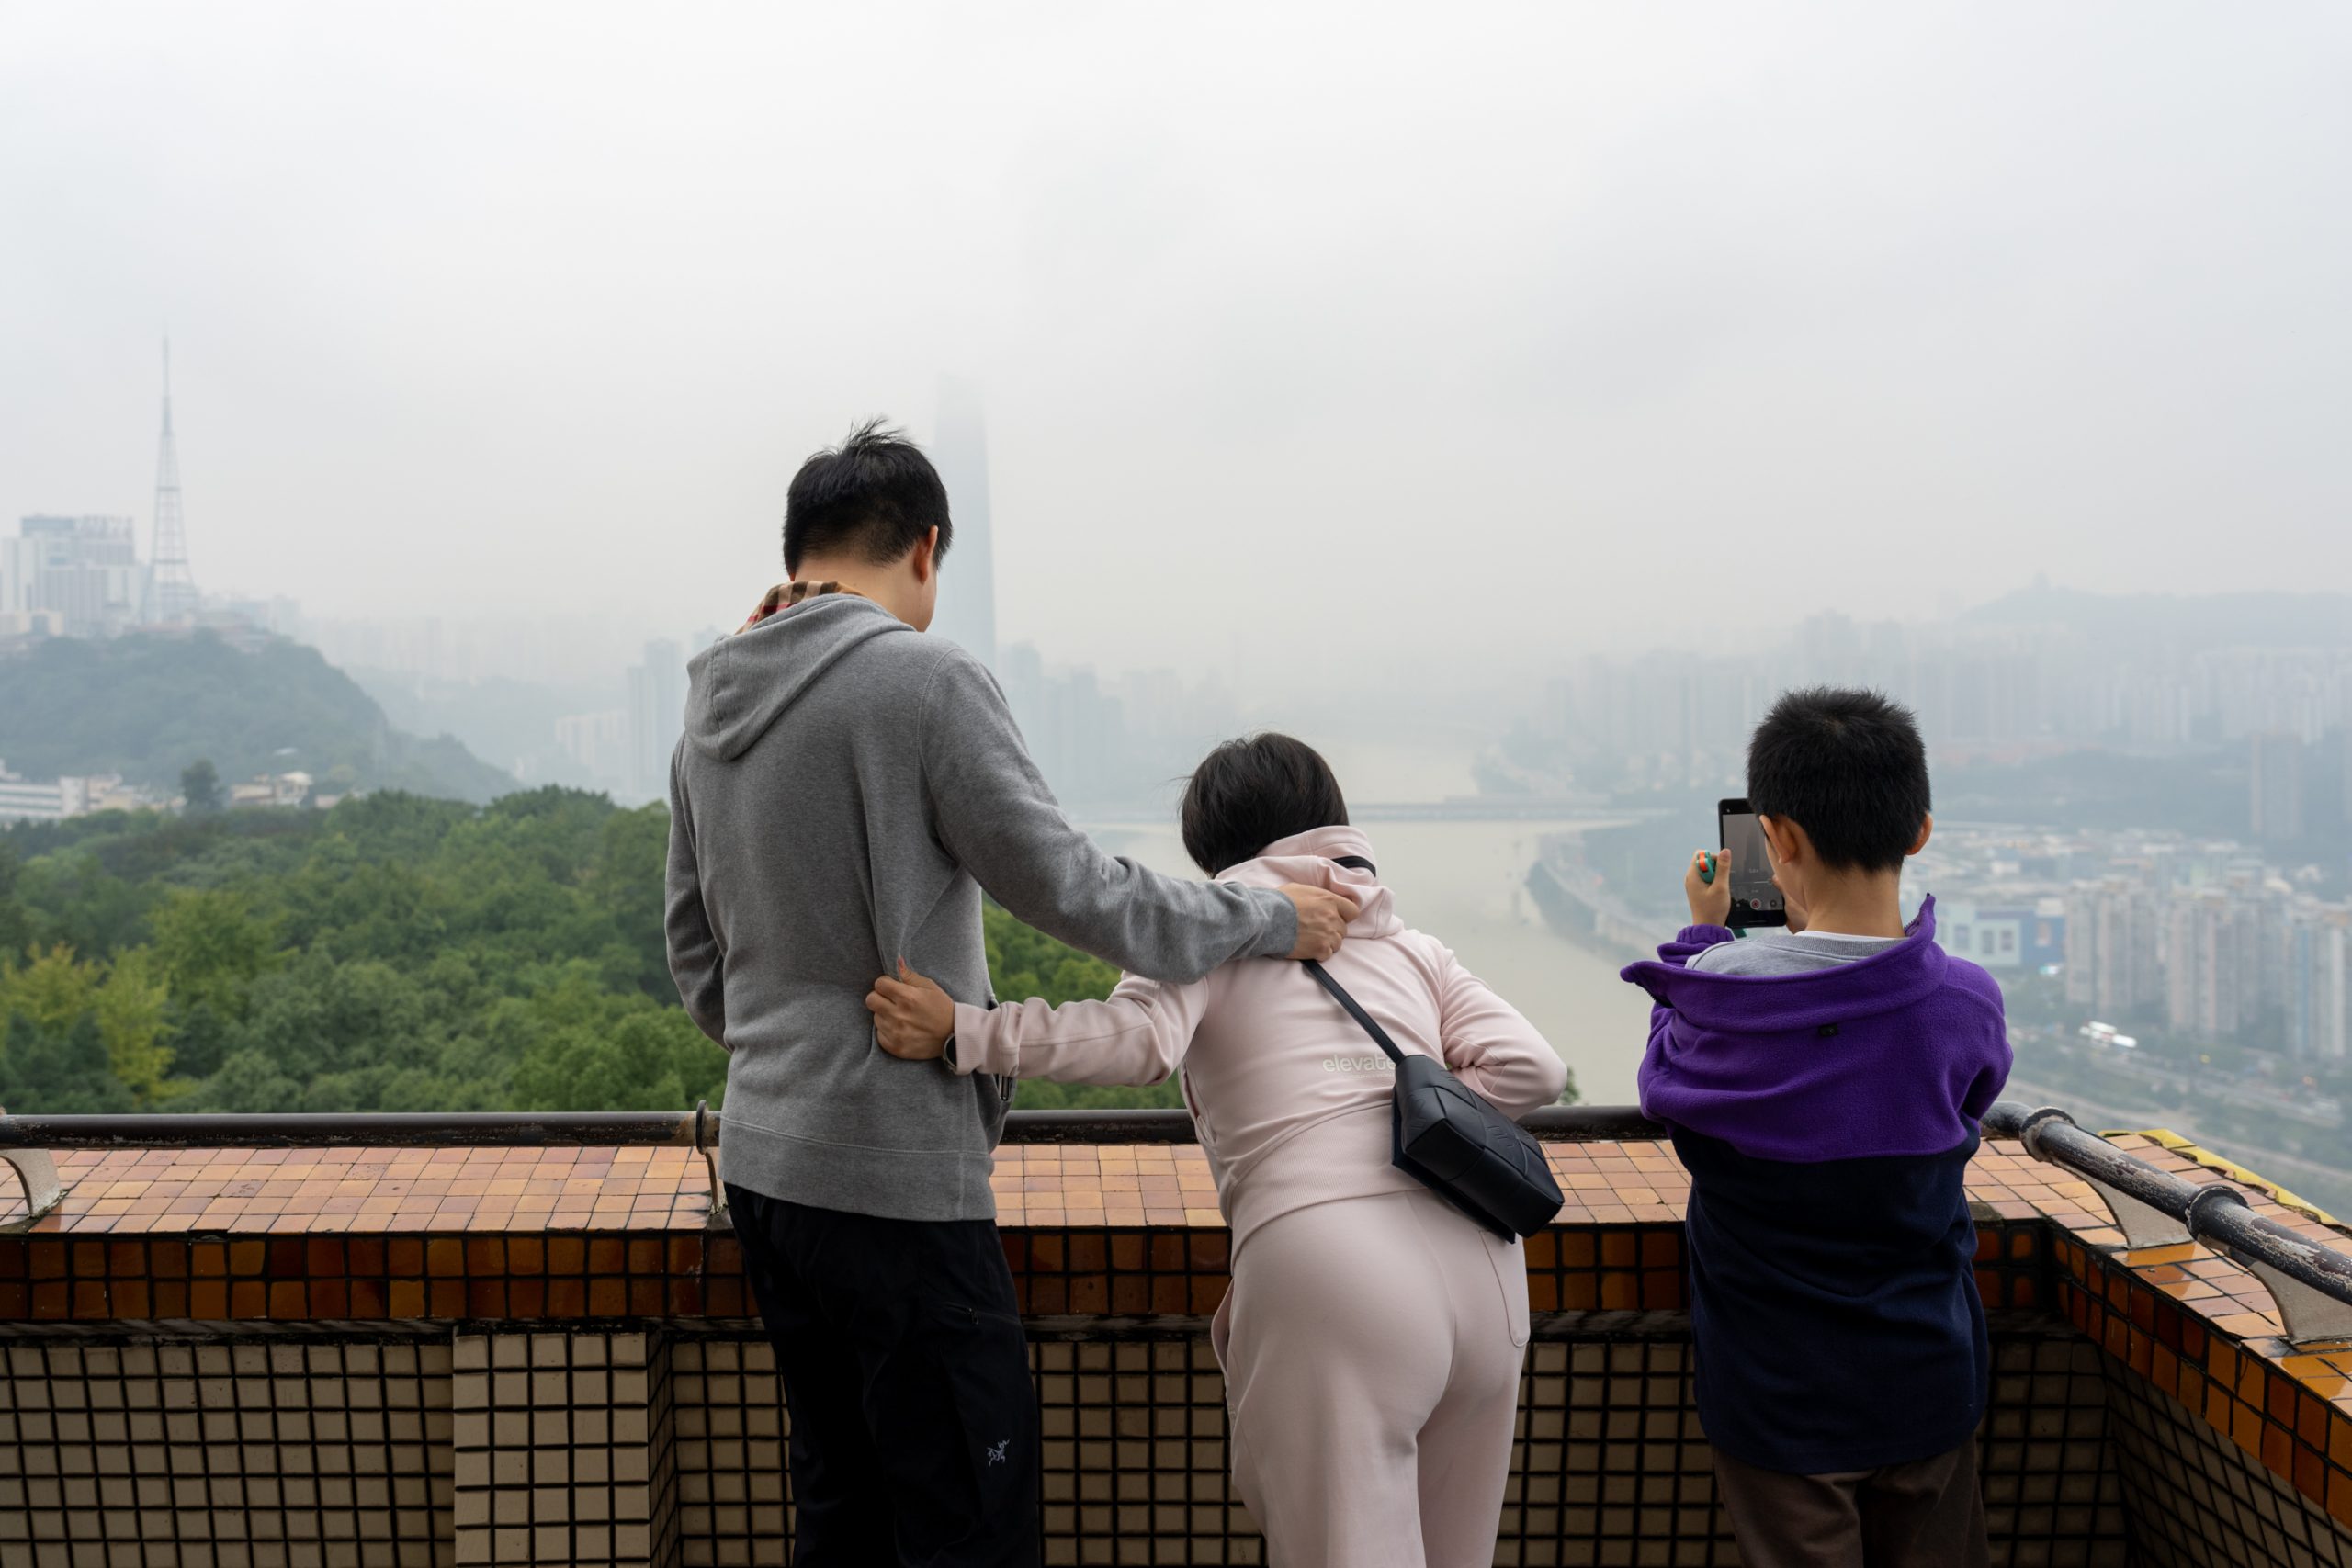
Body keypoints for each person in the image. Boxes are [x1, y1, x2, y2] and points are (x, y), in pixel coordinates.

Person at [664, 422, 1361, 1567]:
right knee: (968, 1524)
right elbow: (1075, 891)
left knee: (840, 1507)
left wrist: (792, 1053)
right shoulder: (923, 680)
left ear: (797, 551)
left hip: (766, 1175)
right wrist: (1270, 918)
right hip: (894, 1178)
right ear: (925, 550)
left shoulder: (704, 715)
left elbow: (699, 966)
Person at [865, 732, 1568, 1568]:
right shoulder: (1412, 947)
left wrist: (966, 1030)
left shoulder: (1210, 933)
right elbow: (1535, 1067)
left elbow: (1139, 1041)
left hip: (1335, 1265)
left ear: (1215, 848)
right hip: (1486, 1268)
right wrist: (1406, 1116)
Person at [1620, 688, 2012, 1568]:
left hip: (1776, 1396)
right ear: (1918, 832)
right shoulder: (1965, 1003)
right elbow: (1971, 1101)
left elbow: (1662, 1083)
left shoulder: (1724, 998)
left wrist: (1699, 939)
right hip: (1928, 1377)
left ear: (1777, 840)